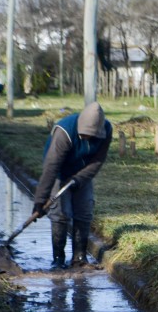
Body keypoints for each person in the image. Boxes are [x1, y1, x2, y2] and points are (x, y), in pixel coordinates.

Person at [33, 102, 113, 267]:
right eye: (83, 135)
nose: (86, 138)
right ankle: (58, 260)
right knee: (60, 215)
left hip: (83, 174)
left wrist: (79, 179)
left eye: (90, 136)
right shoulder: (64, 132)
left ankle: (79, 258)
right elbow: (51, 167)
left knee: (84, 212)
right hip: (59, 172)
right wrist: (40, 201)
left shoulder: (106, 130)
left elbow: (97, 161)